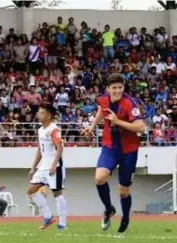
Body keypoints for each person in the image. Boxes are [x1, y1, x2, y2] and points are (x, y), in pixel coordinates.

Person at [82, 73, 145, 234]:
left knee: (123, 191)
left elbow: (141, 127)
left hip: (129, 150)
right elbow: (101, 111)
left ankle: (125, 217)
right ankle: (109, 209)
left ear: (123, 88)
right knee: (99, 178)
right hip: (110, 147)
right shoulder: (103, 99)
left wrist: (117, 122)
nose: (117, 91)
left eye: (120, 87)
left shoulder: (130, 103)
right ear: (108, 89)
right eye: (114, 88)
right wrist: (91, 126)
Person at [27, 104, 68, 230]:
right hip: (43, 166)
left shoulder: (53, 129)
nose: (39, 115)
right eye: (39, 113)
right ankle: (48, 216)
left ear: (49, 115)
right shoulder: (40, 130)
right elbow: (40, 149)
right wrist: (33, 167)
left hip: (54, 166)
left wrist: (54, 165)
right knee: (31, 191)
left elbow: (60, 148)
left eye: (42, 113)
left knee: (57, 194)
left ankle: (62, 224)